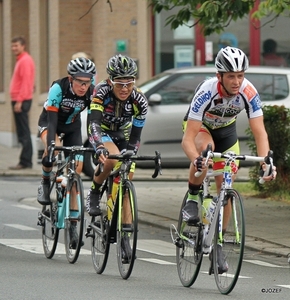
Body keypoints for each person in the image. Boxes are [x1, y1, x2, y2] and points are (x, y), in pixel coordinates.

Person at [181, 46, 277, 274]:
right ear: (219, 76)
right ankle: (193, 197)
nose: (236, 81)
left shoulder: (249, 92)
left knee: (227, 184)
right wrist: (196, 159)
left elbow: (260, 132)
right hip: (201, 128)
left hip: (226, 131)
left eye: (240, 76)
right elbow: (188, 140)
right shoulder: (206, 91)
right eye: (231, 76)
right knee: (207, 150)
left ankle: (218, 245)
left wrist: (266, 162)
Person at [86, 54, 148, 262]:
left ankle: (125, 237)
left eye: (129, 83)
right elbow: (93, 123)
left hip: (125, 134)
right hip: (102, 131)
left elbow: (136, 136)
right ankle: (95, 190)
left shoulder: (139, 100)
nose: (124, 88)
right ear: (110, 81)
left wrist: (131, 152)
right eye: (119, 83)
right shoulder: (100, 92)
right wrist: (100, 147)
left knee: (126, 179)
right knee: (112, 160)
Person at [37, 57, 96, 248]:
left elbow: (93, 120)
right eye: (80, 82)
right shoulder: (58, 88)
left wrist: (94, 142)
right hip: (51, 123)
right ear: (71, 79)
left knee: (76, 171)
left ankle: (73, 224)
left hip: (72, 127)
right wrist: (53, 143)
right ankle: (46, 181)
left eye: (87, 82)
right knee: (52, 150)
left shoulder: (92, 91)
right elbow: (52, 120)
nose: (83, 86)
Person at [9, 36, 35, 170]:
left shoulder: (25, 60)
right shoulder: (21, 60)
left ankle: (26, 161)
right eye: (12, 46)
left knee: (24, 131)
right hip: (19, 99)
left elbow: (26, 82)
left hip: (21, 100)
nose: (14, 48)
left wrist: (19, 101)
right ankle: (24, 160)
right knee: (21, 131)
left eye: (16, 46)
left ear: (23, 46)